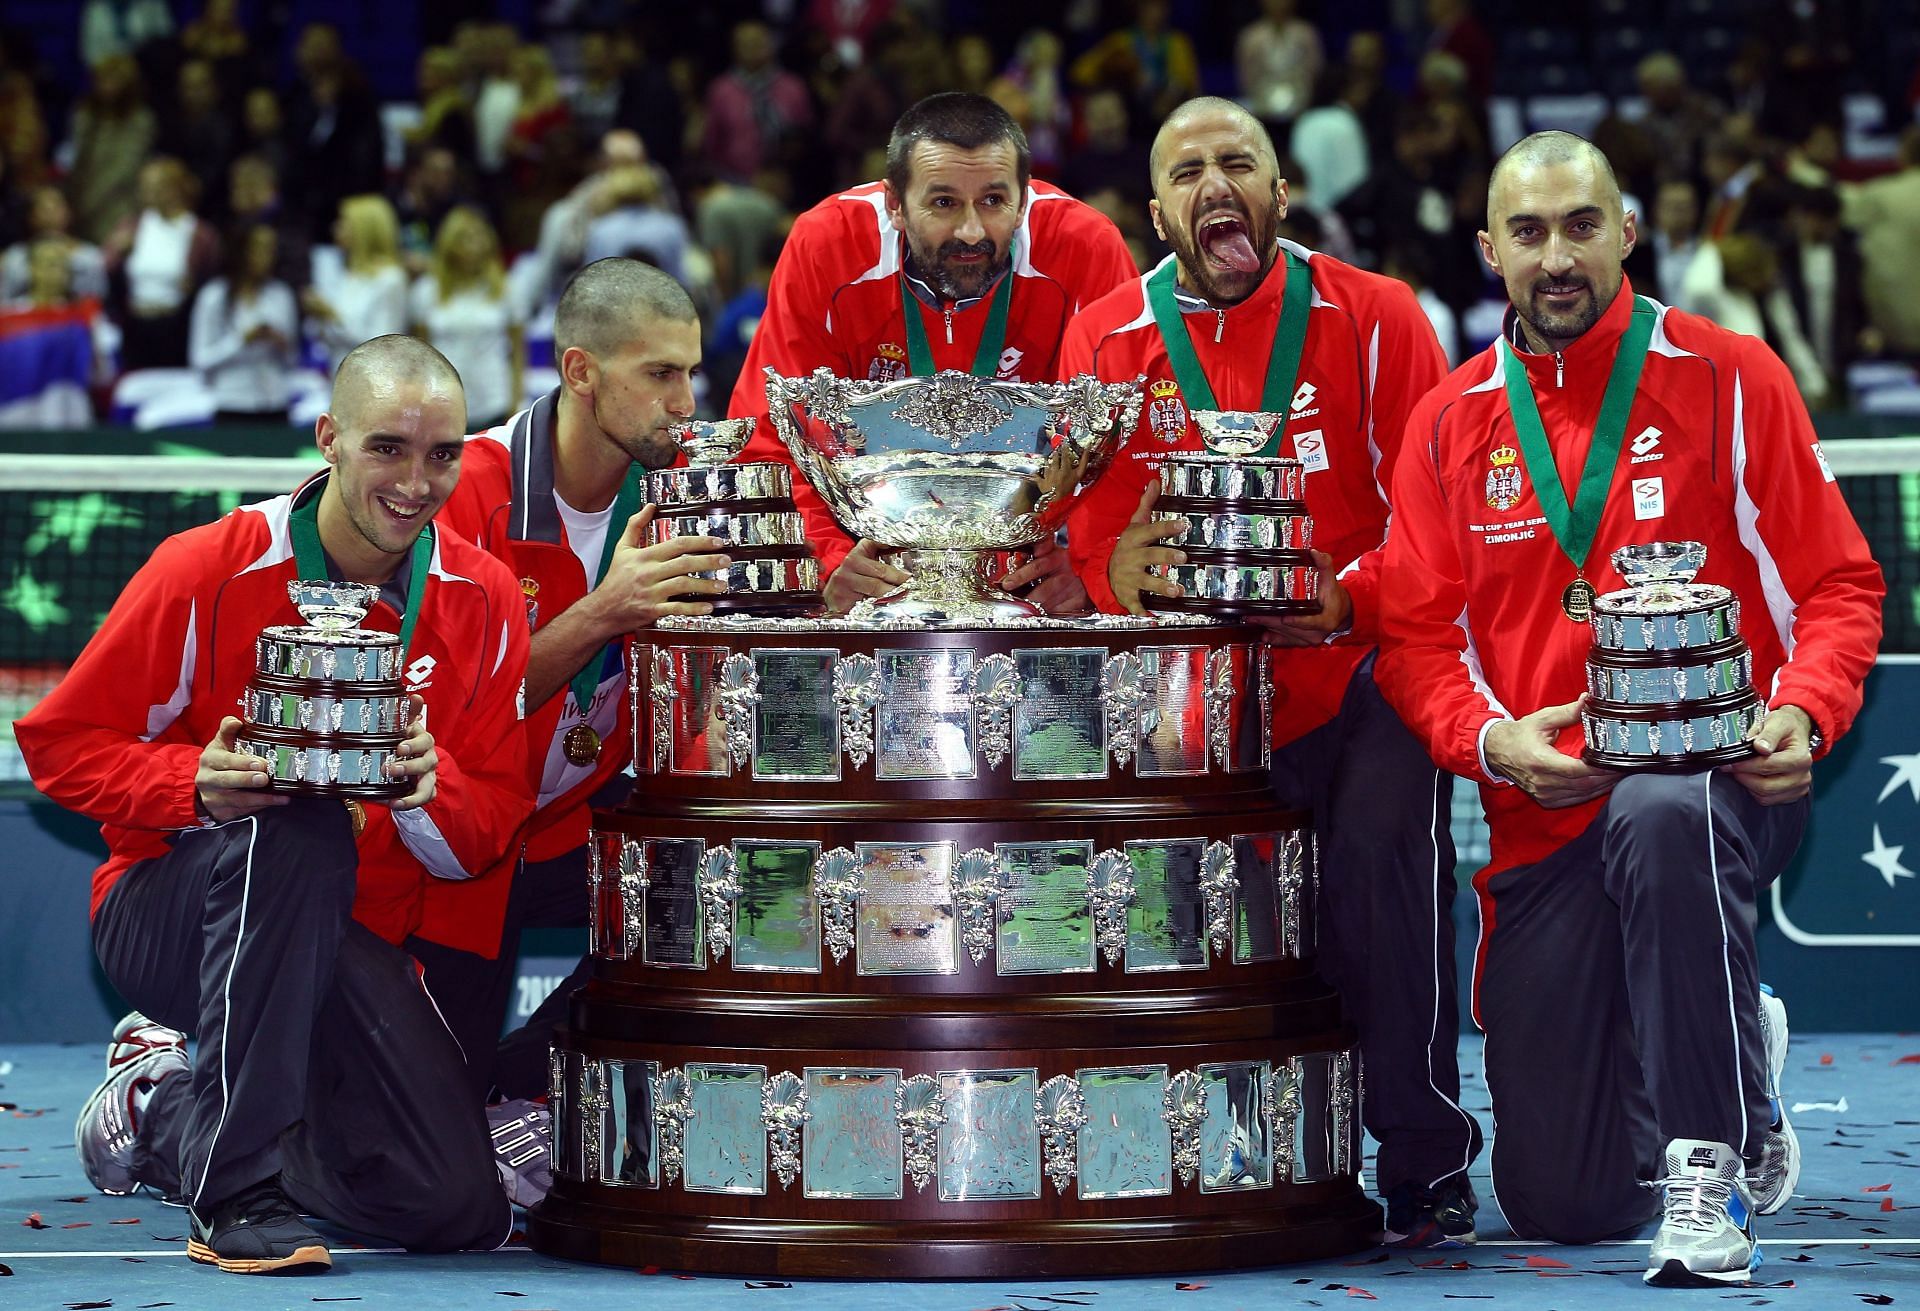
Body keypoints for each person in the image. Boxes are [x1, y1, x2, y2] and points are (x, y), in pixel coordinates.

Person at [1375, 131, 1883, 1285]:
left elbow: (1840, 585)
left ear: (1629, 234)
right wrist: (1493, 743)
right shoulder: (1451, 423)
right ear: (1489, 253)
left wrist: (1803, 709)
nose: (1559, 257)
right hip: (1545, 818)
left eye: (1582, 226)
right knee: (1564, 1202)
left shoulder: (1729, 375)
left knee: (1667, 810)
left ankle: (1713, 1170)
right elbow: (1412, 639)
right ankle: (1731, 1041)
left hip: (1720, 782)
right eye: (1530, 233)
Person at [16, 335, 535, 1274]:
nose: (416, 482)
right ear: (328, 437)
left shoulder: (485, 595)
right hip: (174, 912)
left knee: (450, 1204)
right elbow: (56, 743)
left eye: (443, 454)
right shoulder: (208, 565)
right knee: (292, 824)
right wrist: (194, 787)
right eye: (387, 447)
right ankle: (237, 1190)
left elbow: (491, 825)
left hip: (347, 942)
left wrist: (427, 790)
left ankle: (163, 1103)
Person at [1062, 96, 1482, 1249]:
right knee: (1224, 915)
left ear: (1280, 193)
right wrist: (1116, 570)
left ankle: (1423, 1154)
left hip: (1358, 669)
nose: (1215, 184)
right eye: (1187, 171)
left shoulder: (1380, 315)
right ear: (1157, 213)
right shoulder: (1103, 339)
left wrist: (1345, 596)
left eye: (1237, 162)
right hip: (1200, 694)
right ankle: (1259, 1149)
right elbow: (1092, 535)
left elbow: (1434, 523)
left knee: (1377, 883)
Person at [430, 259, 726, 1124]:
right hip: (456, 843)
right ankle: (171, 1074)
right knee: (417, 1124)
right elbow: (445, 716)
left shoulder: (682, 499)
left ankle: (518, 1084)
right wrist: (604, 612)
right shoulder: (461, 491)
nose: (685, 403)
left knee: (712, 886)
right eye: (660, 375)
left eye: (691, 374)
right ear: (580, 373)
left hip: (571, 829)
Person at [726, 91, 1137, 615]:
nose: (971, 231)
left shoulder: (1084, 247)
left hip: (1031, 577)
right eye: (944, 203)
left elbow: (1124, 433)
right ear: (895, 204)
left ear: (1024, 198)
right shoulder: (826, 245)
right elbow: (771, 431)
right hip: (878, 571)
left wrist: (1088, 563)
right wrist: (825, 561)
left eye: (993, 201)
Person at [188, 221, 299, 422]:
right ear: (242, 251)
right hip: (233, 401)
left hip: (275, 401)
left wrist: (280, 342)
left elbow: (292, 360)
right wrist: (241, 341)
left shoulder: (281, 295)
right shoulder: (214, 296)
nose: (269, 256)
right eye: (261, 249)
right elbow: (200, 359)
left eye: (271, 249)